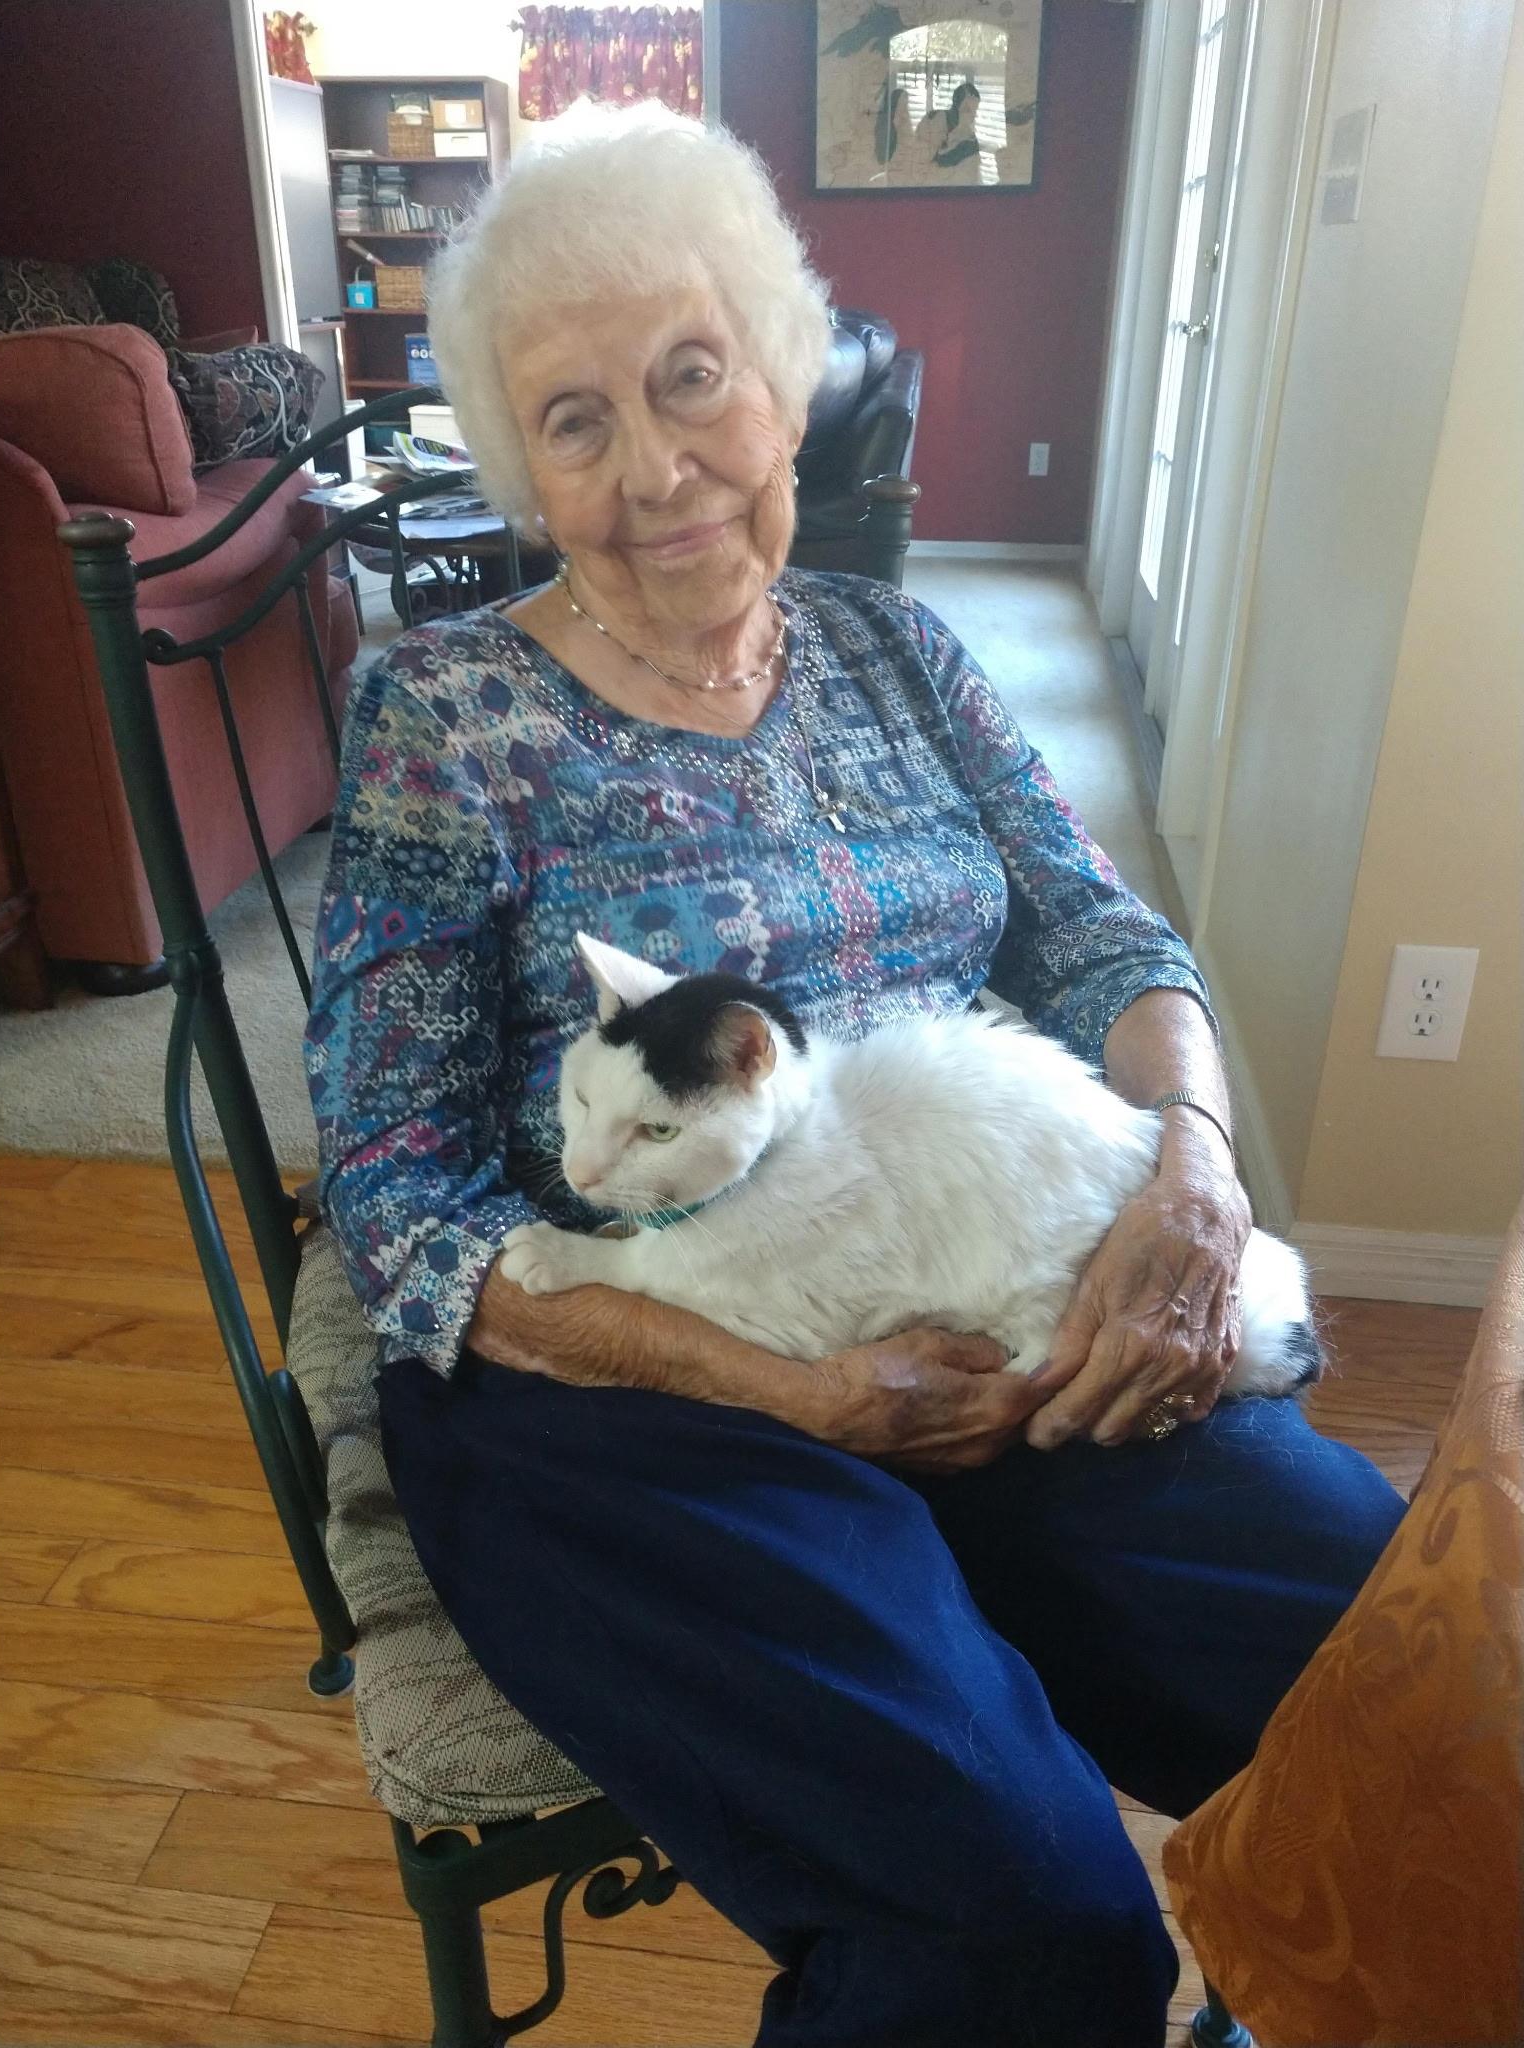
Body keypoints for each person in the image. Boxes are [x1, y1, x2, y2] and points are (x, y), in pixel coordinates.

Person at [306, 104, 1404, 2048]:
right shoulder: (446, 710)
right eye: (574, 420)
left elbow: (1101, 936)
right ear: (520, 464)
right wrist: (798, 1389)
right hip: (635, 1372)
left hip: (1003, 1302)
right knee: (1026, 1917)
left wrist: (1198, 1169)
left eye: (692, 377)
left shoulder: (903, 647)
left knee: (1431, 1705)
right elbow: (396, 1186)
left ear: (784, 378)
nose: (656, 469)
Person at [916, 78, 984, 184]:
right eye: (967, 110)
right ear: (956, 105)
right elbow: (928, 161)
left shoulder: (968, 135)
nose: (972, 116)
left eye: (974, 111)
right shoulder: (936, 120)